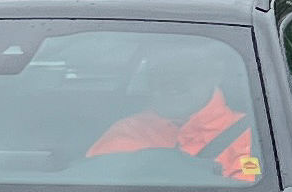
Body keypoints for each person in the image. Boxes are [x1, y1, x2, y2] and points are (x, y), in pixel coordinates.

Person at [87, 51, 261, 183]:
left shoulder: (254, 136)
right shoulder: (126, 132)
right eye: (161, 71)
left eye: (186, 70)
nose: (172, 80)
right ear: (149, 79)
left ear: (214, 74)